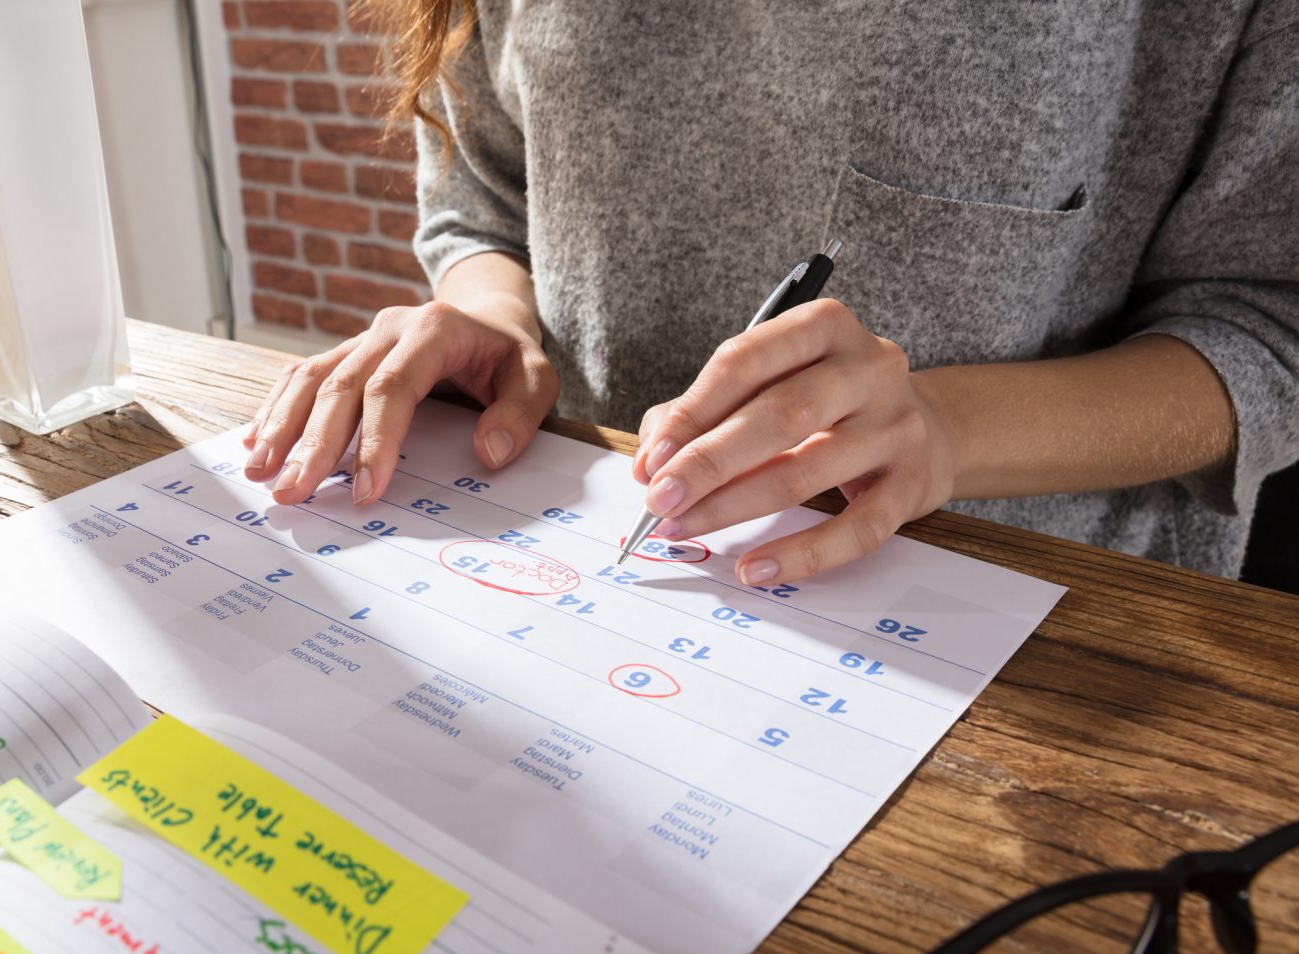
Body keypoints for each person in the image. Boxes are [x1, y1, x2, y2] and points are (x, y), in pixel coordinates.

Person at [241, 1, 1299, 586]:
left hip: (1042, 641)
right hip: (595, 550)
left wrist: (945, 429)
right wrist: (490, 315)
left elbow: (1269, 320)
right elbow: (482, 188)